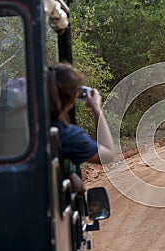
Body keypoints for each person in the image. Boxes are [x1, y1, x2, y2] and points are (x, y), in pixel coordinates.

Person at [48, 62, 115, 193]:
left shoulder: (28, 124)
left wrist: (69, 171)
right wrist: (96, 109)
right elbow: (107, 155)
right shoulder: (67, 134)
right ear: (74, 98)